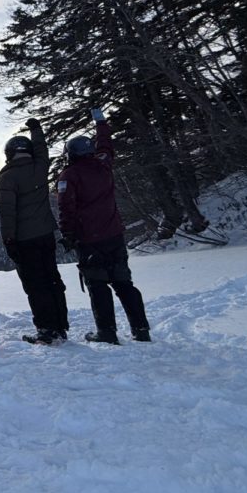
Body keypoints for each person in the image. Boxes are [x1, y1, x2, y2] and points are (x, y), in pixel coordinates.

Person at [57, 107, 151, 344]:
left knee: (98, 285)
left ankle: (107, 332)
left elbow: (66, 208)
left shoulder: (69, 176)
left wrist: (68, 234)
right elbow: (106, 144)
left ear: (70, 154)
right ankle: (141, 330)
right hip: (114, 235)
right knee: (124, 283)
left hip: (89, 240)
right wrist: (100, 122)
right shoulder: (103, 164)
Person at [0, 118, 69, 345]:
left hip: (24, 239)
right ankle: (60, 326)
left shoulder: (7, 177)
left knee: (35, 285)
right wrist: (36, 130)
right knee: (52, 279)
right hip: (46, 234)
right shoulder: (39, 168)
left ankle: (46, 329)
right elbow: (42, 149)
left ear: (9, 154)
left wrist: (8, 240)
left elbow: (7, 213)